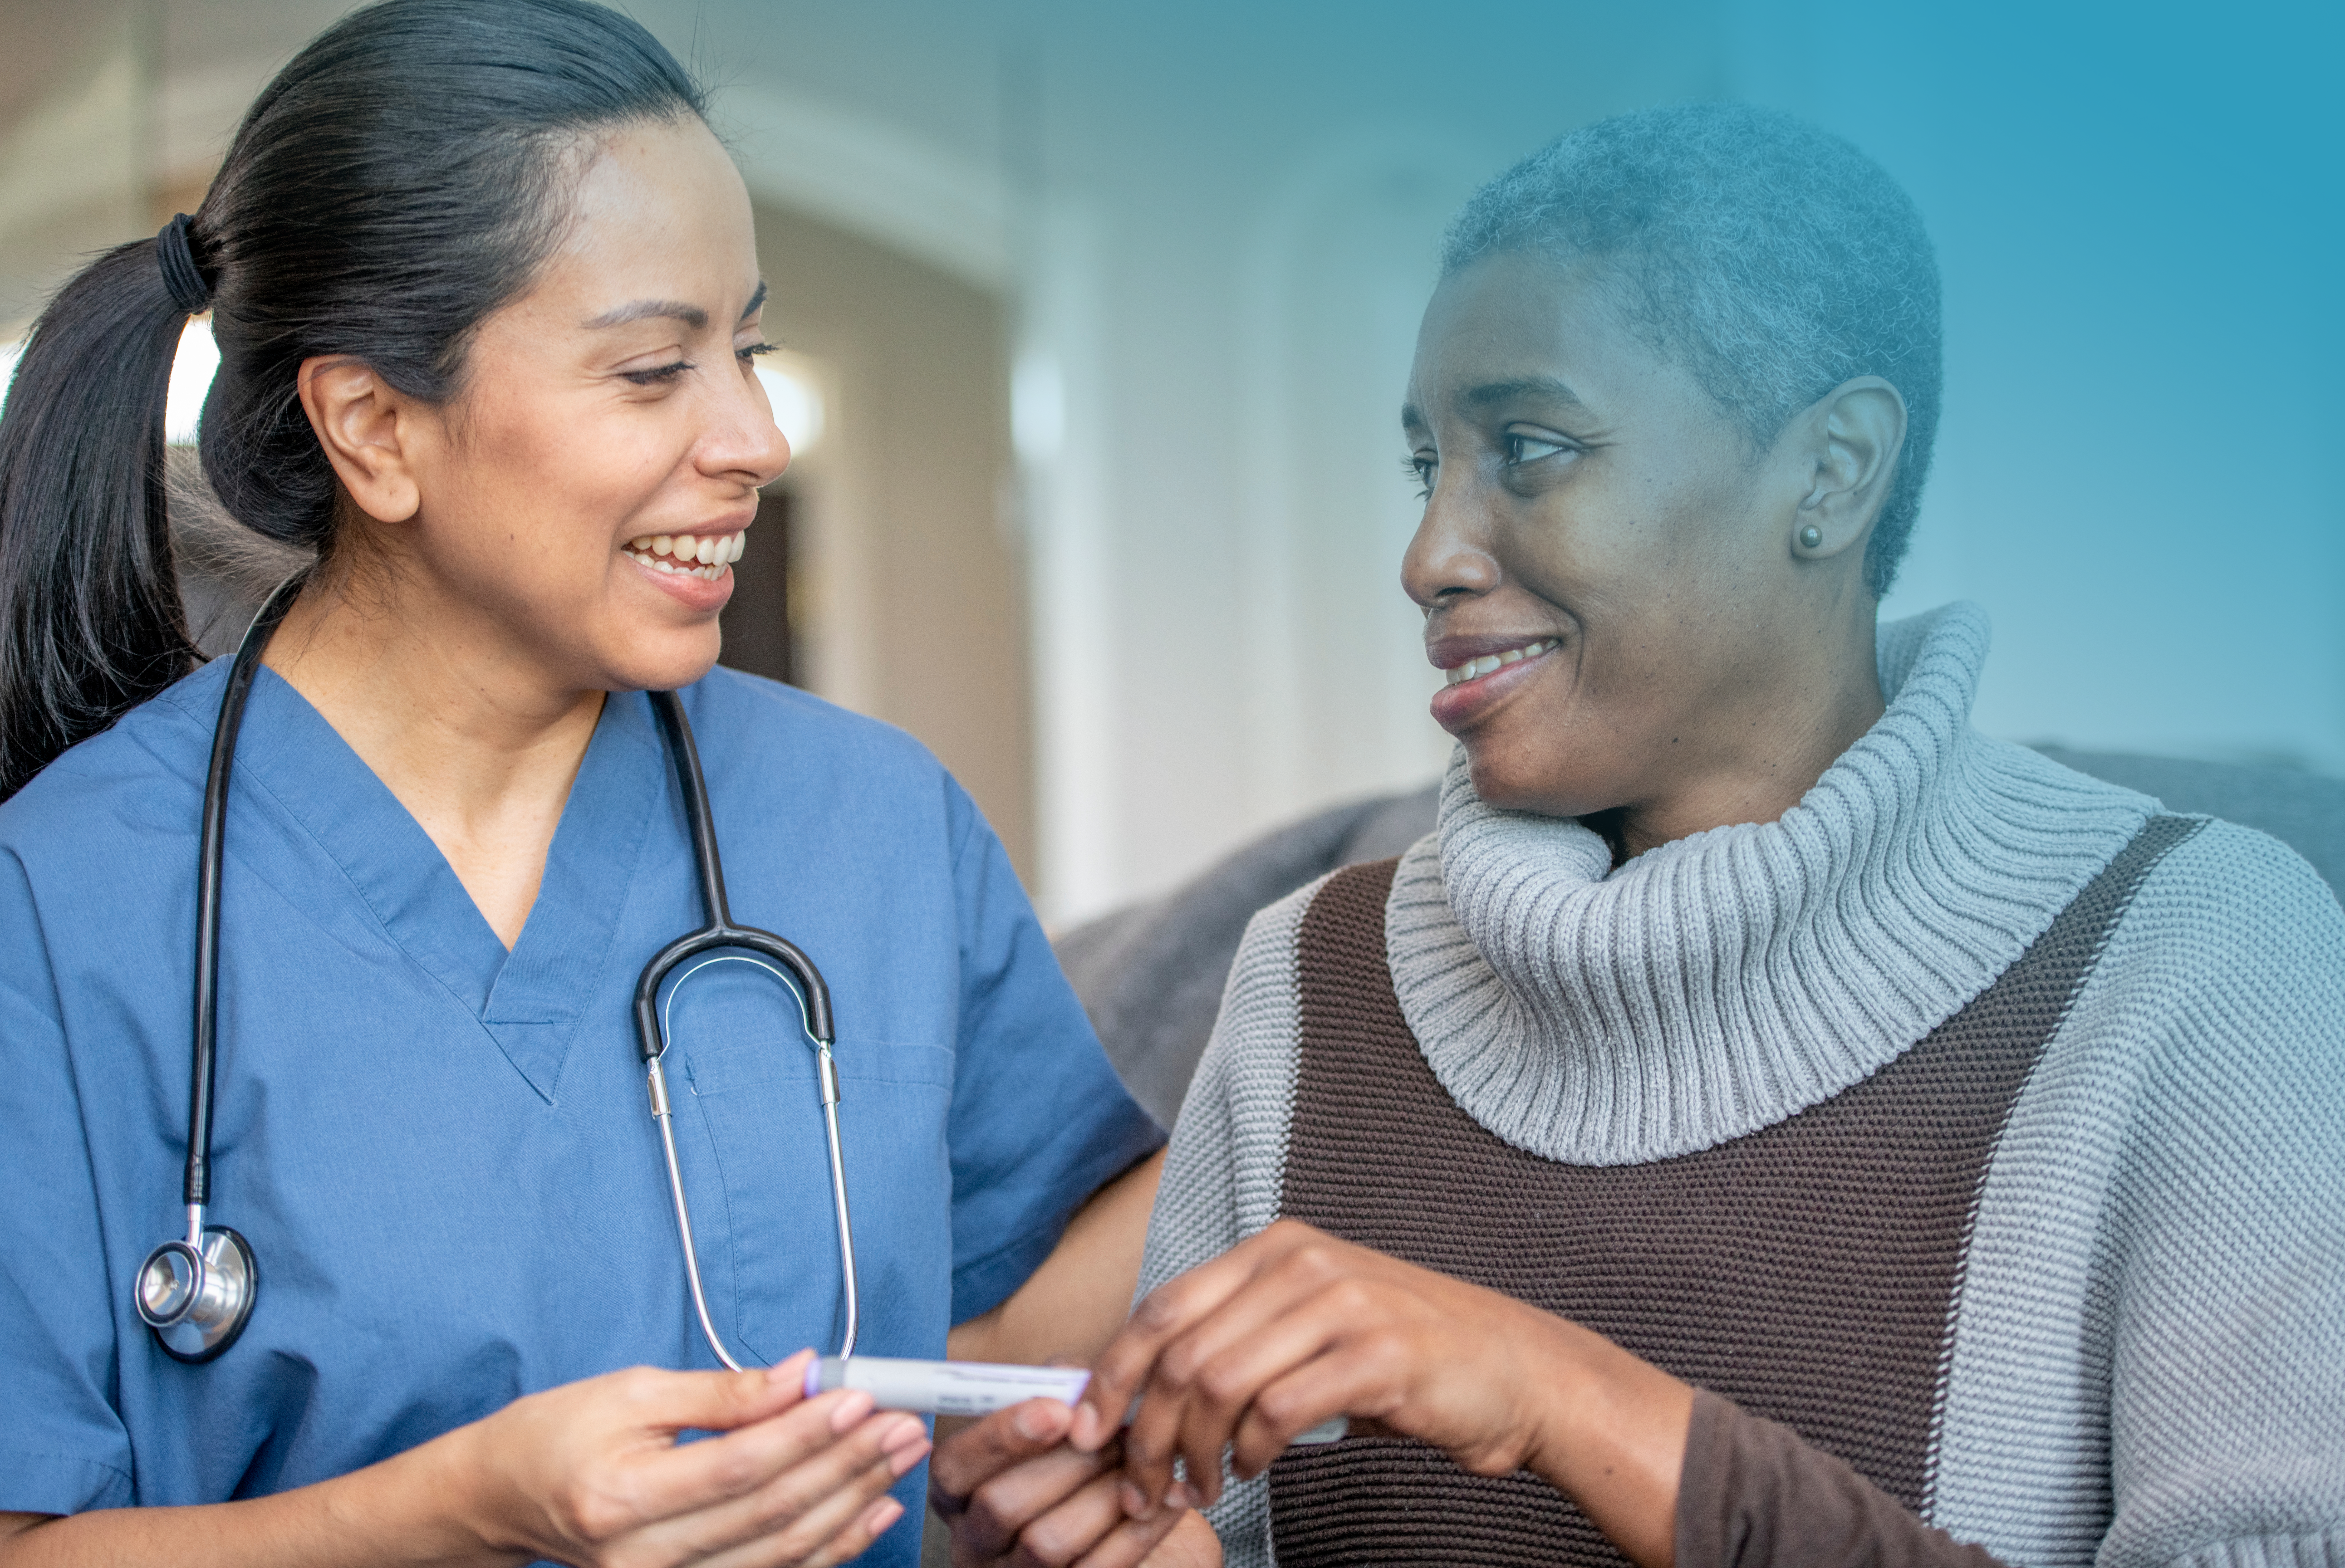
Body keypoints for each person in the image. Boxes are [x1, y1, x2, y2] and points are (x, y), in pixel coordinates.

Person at [930, 104, 2345, 1568]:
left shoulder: (2200, 960)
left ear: (1834, 472)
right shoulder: (1309, 981)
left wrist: (1560, 1398)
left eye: (1529, 448)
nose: (1429, 556)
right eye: (1429, 466)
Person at [0, 4, 1163, 1565]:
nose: (750, 434)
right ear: (374, 427)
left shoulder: (868, 823)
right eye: (652, 369)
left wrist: (1327, 1070)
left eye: (742, 349)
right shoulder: (65, 903)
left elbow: (1027, 1285)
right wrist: (461, 1514)